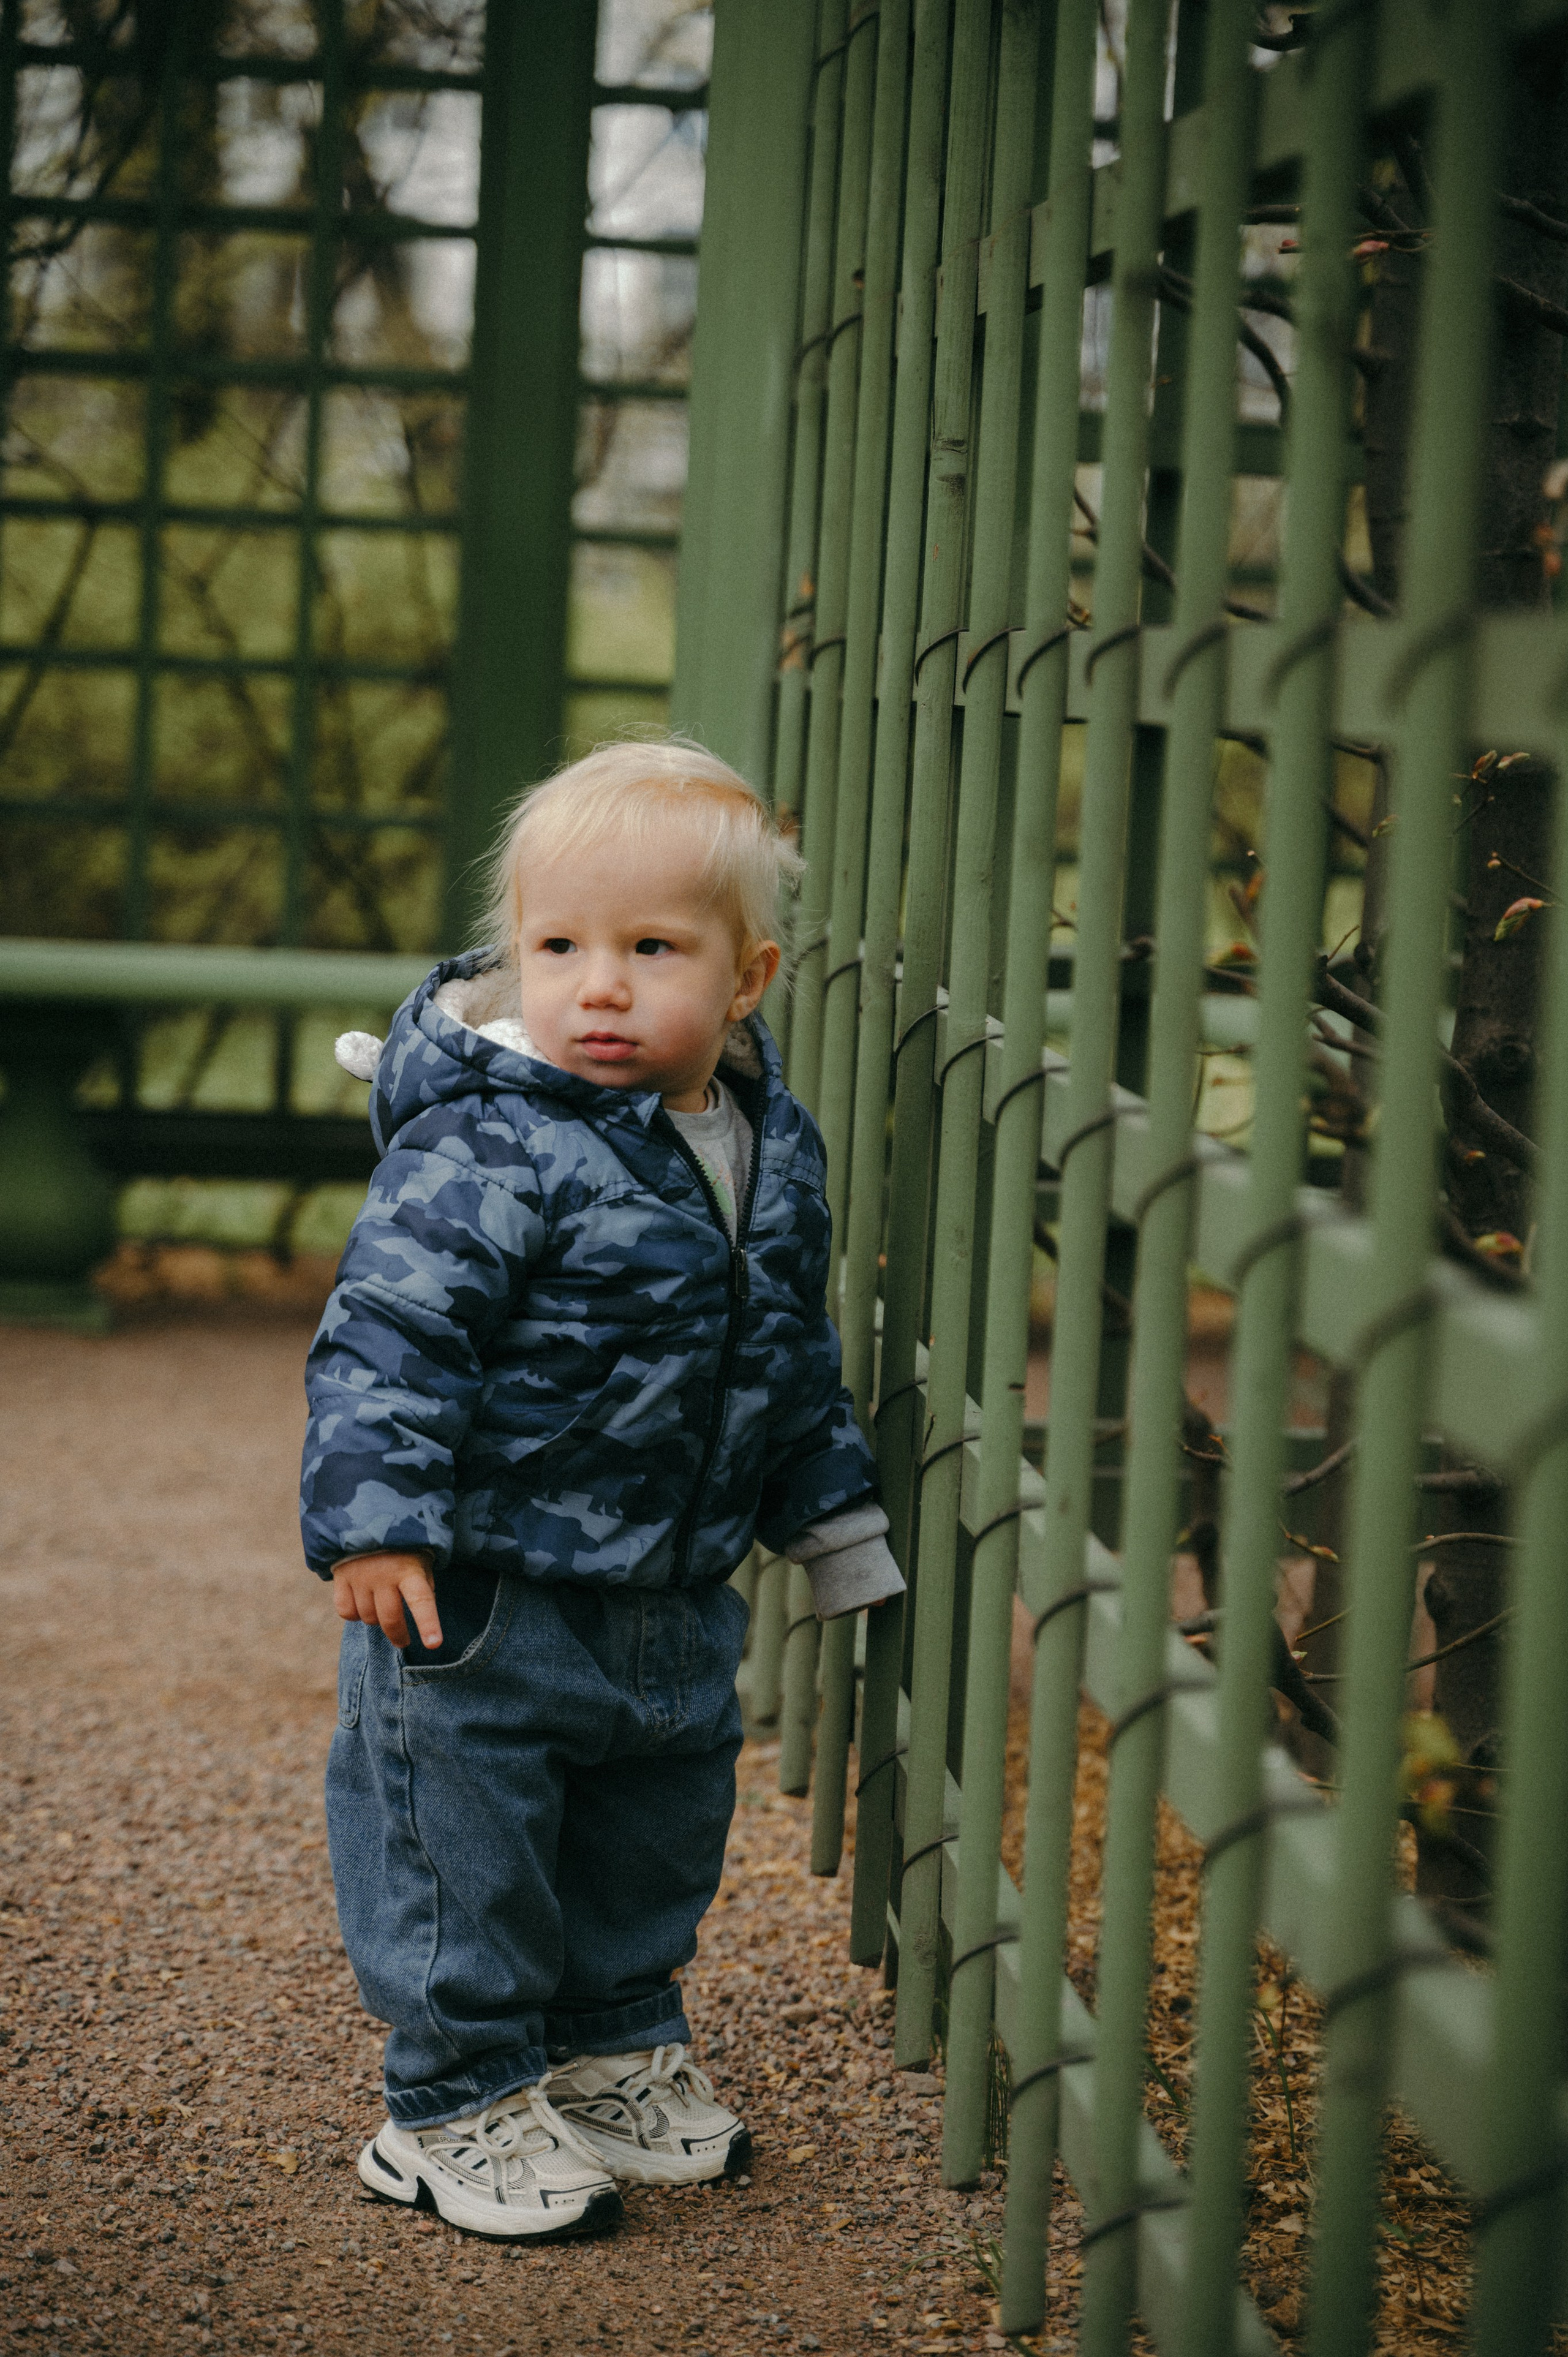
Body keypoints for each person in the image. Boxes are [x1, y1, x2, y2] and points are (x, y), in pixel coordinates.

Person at [300, 739, 905, 2242]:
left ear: (746, 974)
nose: (600, 985)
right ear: (516, 962)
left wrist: (826, 1518)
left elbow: (783, 1346)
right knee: (466, 1830)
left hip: (672, 1584)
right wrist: (376, 1517)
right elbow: (390, 1330)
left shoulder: (768, 1146)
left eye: (651, 948)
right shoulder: (488, 1140)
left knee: (654, 1820)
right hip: (488, 1588)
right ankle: (447, 2098)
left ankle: (610, 2041)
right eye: (558, 948)